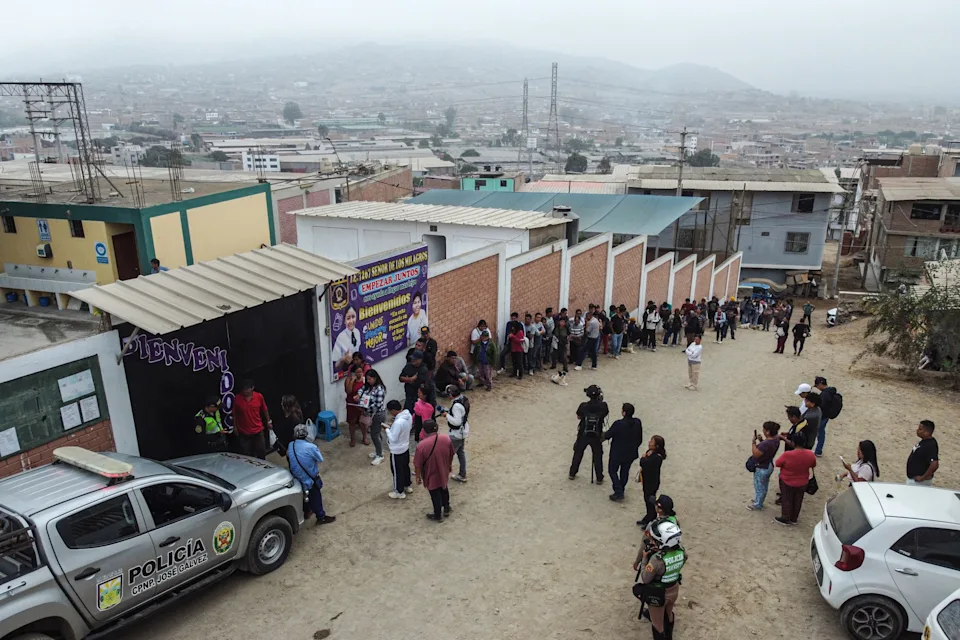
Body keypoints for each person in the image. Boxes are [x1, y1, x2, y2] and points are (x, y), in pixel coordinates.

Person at [633, 518, 685, 640]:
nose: (652, 541)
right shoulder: (682, 552)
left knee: (657, 625)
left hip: (658, 593)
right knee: (669, 614)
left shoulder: (656, 559)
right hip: (673, 589)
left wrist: (645, 558)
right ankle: (669, 636)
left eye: (655, 540)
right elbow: (682, 560)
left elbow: (645, 578)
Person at [287, 424, 336, 525]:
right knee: (315, 495)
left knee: (303, 495)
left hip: (296, 477)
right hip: (308, 478)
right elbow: (320, 459)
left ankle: (307, 511)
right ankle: (321, 517)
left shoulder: (291, 444)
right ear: (306, 434)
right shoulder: (311, 447)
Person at [414, 419, 456, 521]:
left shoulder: (421, 446)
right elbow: (451, 453)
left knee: (435, 493)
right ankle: (446, 508)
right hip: (443, 469)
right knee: (444, 487)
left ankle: (438, 515)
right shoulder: (446, 439)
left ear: (424, 431)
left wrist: (418, 477)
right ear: (437, 427)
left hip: (430, 473)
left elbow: (417, 464)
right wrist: (449, 465)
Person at [774, 432, 816, 525]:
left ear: (793, 442)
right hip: (803, 482)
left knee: (787, 499)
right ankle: (794, 518)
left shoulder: (788, 455)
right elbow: (813, 464)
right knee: (798, 500)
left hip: (787, 481)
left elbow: (777, 463)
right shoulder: (810, 454)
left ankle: (785, 517)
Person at [603, 403, 643, 501]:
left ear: (624, 412)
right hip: (630, 453)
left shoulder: (618, 424)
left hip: (617, 453)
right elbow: (639, 439)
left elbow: (607, 435)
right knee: (625, 472)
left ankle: (618, 491)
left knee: (612, 471)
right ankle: (621, 489)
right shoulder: (637, 422)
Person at [569, 385, 608, 482]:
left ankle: (572, 473)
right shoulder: (603, 406)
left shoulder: (583, 406)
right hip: (596, 434)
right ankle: (599, 477)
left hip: (583, 433)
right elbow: (605, 414)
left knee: (578, 453)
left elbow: (578, 416)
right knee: (597, 455)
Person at [234, 379, 272, 460]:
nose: (245, 391)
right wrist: (235, 427)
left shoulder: (259, 396)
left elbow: (264, 409)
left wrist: (269, 421)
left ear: (252, 388)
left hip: (258, 430)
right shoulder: (237, 398)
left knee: (261, 451)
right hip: (244, 432)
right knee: (246, 454)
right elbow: (235, 414)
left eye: (247, 389)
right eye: (244, 389)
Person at [748, 421, 781, 511]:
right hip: (768, 464)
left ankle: (758, 504)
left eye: (764, 429)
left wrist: (754, 443)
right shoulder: (776, 439)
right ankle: (758, 500)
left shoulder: (766, 444)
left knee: (759, 486)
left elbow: (756, 454)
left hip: (762, 467)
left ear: (768, 432)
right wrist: (761, 440)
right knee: (763, 485)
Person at [358, 369, 387, 466]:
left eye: (370, 379)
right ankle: (379, 451)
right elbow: (362, 389)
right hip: (371, 414)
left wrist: (364, 409)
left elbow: (377, 405)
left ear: (375, 378)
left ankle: (380, 455)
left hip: (377, 414)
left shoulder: (379, 389)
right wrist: (358, 395)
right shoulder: (369, 387)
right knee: (377, 434)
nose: (368, 381)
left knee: (375, 435)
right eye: (367, 379)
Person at [385, 400, 414, 499]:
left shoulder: (398, 422)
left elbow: (393, 438)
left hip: (396, 450)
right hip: (405, 446)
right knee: (405, 467)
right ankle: (407, 485)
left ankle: (399, 491)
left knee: (397, 471)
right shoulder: (408, 416)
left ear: (393, 410)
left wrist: (387, 429)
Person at [637, 436, 667, 527]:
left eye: (652, 441)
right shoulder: (650, 452)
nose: (649, 442)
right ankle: (648, 517)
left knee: (650, 501)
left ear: (656, 445)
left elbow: (645, 464)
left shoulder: (657, 457)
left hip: (652, 483)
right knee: (647, 500)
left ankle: (651, 519)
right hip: (647, 480)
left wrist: (643, 458)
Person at [442, 384, 470, 482]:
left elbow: (457, 421)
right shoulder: (463, 399)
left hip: (456, 434)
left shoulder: (456, 406)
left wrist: (446, 415)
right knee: (460, 453)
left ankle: (443, 475)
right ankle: (462, 474)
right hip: (462, 431)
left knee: (447, 455)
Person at [813, 376, 841, 457]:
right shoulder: (831, 391)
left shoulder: (825, 394)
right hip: (826, 416)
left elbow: (822, 406)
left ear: (821, 384)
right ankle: (819, 450)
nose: (817, 388)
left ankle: (818, 450)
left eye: (817, 385)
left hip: (822, 416)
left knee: (818, 432)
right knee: (821, 432)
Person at [906, 420, 939, 485]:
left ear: (927, 432)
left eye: (920, 429)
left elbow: (934, 464)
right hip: (914, 479)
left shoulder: (930, 445)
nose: (917, 430)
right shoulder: (925, 441)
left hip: (919, 483)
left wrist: (922, 478)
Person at [332, 305, 362, 375]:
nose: (351, 321)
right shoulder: (341, 337)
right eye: (348, 318)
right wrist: (343, 359)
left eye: (353, 317)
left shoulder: (357, 332)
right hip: (347, 372)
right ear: (344, 321)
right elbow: (336, 366)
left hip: (358, 371)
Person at [344, 364, 368, 447]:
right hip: (352, 404)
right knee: (352, 422)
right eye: (357, 372)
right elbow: (348, 391)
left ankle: (364, 437)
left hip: (361, 405)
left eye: (361, 372)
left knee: (363, 422)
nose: (359, 374)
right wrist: (352, 381)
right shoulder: (348, 379)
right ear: (353, 373)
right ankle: (353, 439)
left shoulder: (364, 379)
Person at [472, 326, 497, 391]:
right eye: (482, 336)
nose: (483, 338)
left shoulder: (491, 344)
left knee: (487, 374)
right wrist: (475, 361)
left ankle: (489, 385)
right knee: (480, 373)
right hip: (480, 361)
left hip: (487, 362)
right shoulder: (479, 344)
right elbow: (475, 352)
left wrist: (493, 363)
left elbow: (494, 354)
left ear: (487, 337)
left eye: (484, 336)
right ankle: (481, 383)